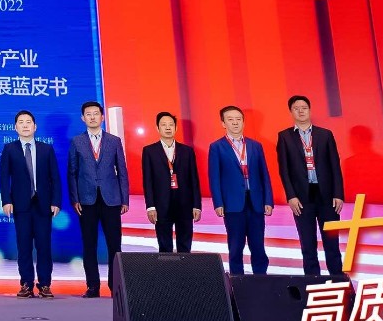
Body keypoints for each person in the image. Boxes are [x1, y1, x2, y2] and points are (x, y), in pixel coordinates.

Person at [275, 95, 344, 277]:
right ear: (291, 112)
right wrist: (291, 196)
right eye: (296, 108)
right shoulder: (285, 137)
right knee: (308, 243)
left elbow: (335, 166)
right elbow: (284, 170)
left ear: (310, 110)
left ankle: (338, 280)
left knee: (332, 242)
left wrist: (338, 194)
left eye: (304, 108)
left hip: (327, 196)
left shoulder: (325, 134)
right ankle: (312, 281)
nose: (301, 111)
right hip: (301, 198)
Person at [67, 100, 129, 297]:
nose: (92, 117)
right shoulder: (77, 141)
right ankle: (92, 286)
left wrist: (124, 199)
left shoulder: (114, 141)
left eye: (96, 113)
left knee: (114, 245)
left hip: (111, 199)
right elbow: (72, 172)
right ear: (82, 118)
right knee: (89, 244)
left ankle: (115, 286)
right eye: (88, 114)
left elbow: (122, 171)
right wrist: (75, 199)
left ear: (102, 117)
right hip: (86, 200)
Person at [0, 109, 60, 297]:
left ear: (35, 127)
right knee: (23, 246)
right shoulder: (9, 149)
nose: (25, 125)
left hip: (43, 205)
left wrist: (56, 201)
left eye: (28, 122)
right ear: (15, 127)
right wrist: (6, 200)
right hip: (20, 205)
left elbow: (55, 178)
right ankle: (26, 283)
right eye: (21, 122)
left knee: (44, 246)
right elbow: (4, 178)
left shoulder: (46, 149)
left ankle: (45, 284)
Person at [208, 105, 273, 275]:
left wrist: (268, 200)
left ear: (243, 122)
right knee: (236, 246)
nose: (235, 123)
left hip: (256, 202)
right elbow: (214, 177)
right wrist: (218, 203)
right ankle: (237, 280)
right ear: (223, 123)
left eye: (238, 119)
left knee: (258, 245)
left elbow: (264, 174)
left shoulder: (255, 146)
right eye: (230, 119)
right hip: (232, 204)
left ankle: (261, 279)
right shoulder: (217, 147)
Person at [140, 111, 200, 253]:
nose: (168, 128)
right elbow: (147, 181)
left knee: (185, 246)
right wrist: (150, 206)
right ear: (157, 128)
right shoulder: (149, 151)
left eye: (171, 125)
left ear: (176, 128)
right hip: (161, 205)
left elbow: (194, 180)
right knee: (164, 245)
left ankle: (184, 267)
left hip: (185, 204)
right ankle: (167, 268)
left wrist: (197, 205)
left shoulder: (187, 151)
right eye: (164, 125)